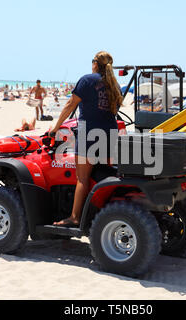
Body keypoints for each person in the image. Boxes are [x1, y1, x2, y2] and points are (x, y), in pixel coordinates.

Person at [50, 51, 123, 227]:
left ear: (95, 64)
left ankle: (75, 217)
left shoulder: (87, 80)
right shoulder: (114, 85)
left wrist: (55, 127)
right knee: (104, 175)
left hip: (90, 133)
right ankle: (103, 212)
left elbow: (70, 105)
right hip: (110, 132)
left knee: (82, 177)